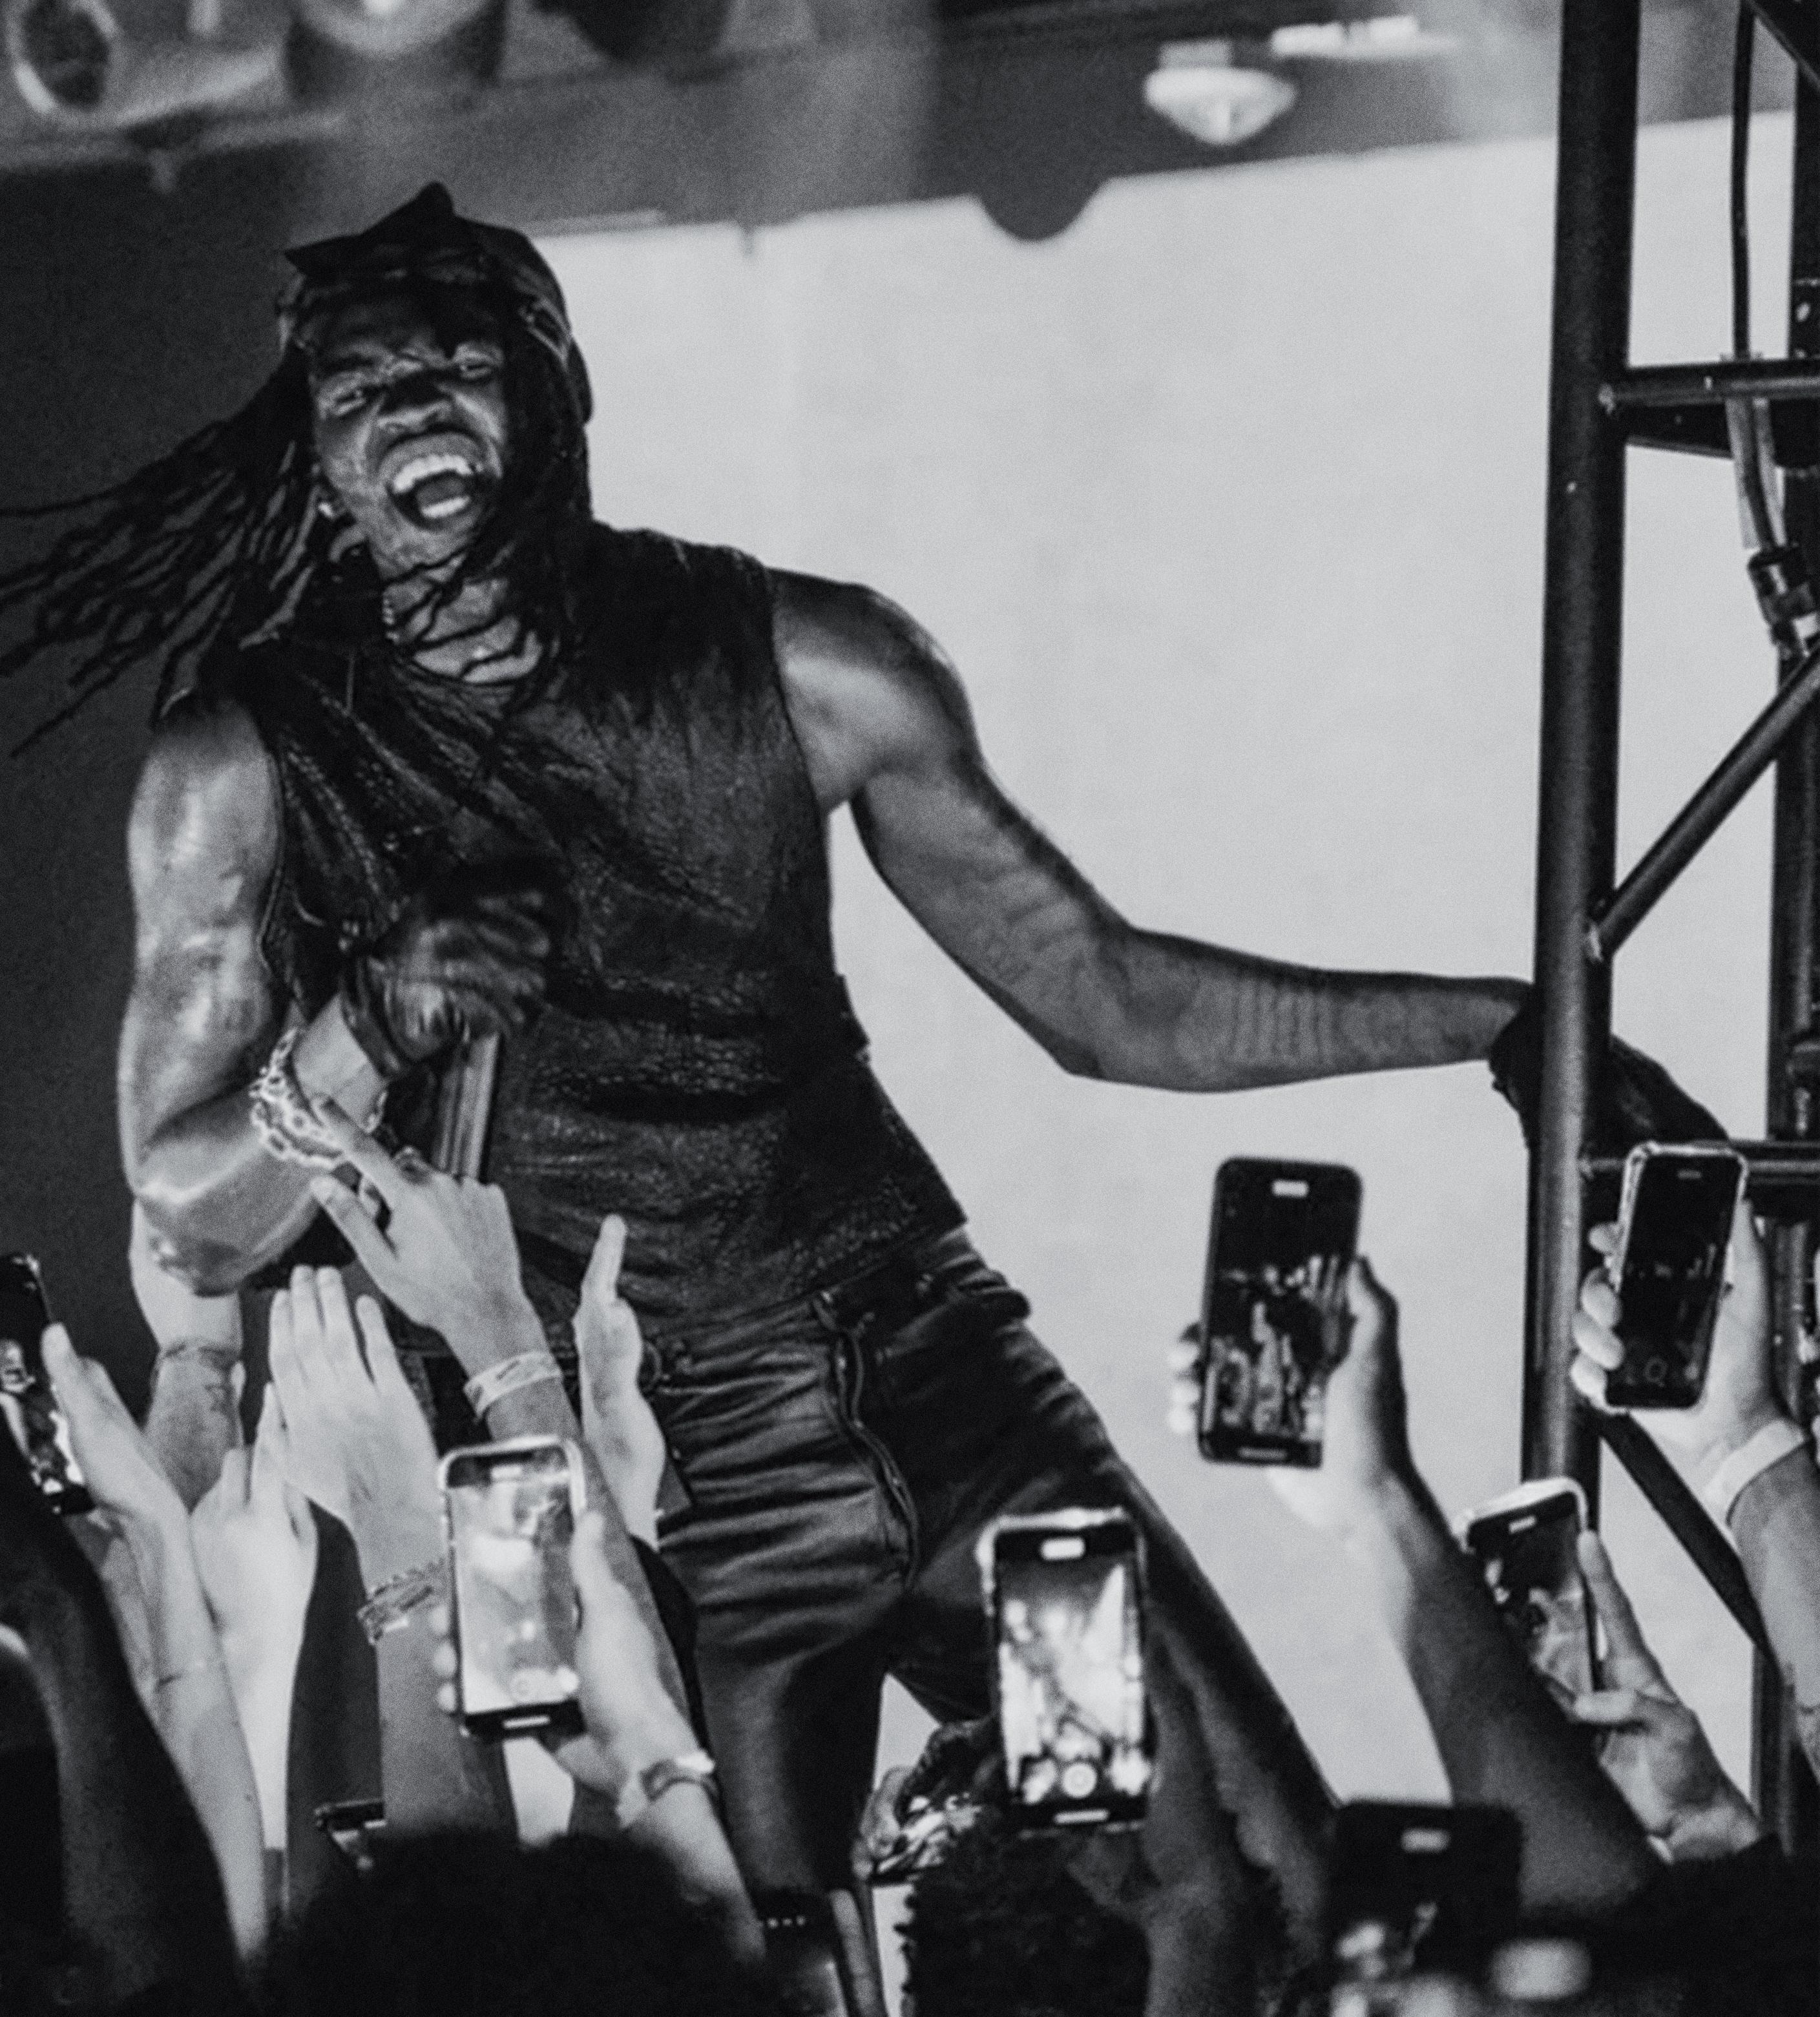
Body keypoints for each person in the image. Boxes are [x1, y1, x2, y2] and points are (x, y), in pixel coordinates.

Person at [6, 182, 1540, 1919]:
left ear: (558, 381)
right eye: (359, 390)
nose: (412, 407)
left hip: (936, 1404)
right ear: (318, 462)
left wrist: (1498, 1022)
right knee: (735, 1956)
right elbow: (191, 1212)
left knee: (1239, 1875)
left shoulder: (807, 659)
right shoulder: (245, 762)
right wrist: (367, 1018)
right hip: (620, 1469)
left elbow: (1104, 998)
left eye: (457, 364)